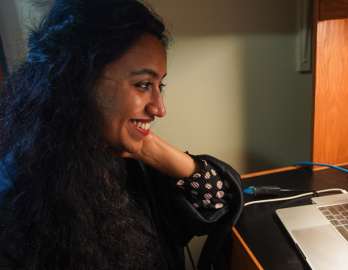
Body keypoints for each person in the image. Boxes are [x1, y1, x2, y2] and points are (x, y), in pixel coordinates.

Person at [0, 0, 243, 269]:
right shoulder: (14, 202)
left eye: (159, 85)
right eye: (143, 84)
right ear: (78, 82)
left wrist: (147, 146)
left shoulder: (122, 156)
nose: (160, 109)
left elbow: (219, 198)